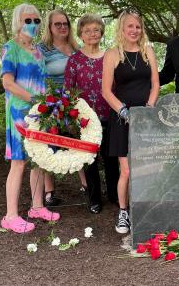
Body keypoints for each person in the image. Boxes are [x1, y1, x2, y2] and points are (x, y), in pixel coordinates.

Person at [0, 3, 60, 233]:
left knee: (38, 159)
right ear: (18, 22)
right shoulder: (10, 48)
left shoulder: (37, 52)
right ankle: (10, 216)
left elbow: (43, 83)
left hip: (39, 113)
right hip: (18, 113)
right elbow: (7, 83)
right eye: (28, 21)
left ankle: (37, 207)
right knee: (19, 162)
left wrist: (46, 103)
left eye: (36, 21)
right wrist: (34, 98)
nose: (33, 25)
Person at [102, 10, 159, 233]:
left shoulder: (148, 51)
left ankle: (145, 209)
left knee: (148, 167)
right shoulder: (112, 54)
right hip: (123, 119)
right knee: (126, 171)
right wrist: (125, 113)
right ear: (122, 29)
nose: (134, 30)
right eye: (130, 27)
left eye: (138, 27)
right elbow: (106, 91)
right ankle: (124, 212)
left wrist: (149, 110)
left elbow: (155, 83)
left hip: (146, 118)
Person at [64, 13, 120, 214]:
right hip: (85, 120)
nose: (92, 33)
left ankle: (114, 195)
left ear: (102, 32)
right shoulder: (74, 60)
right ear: (80, 34)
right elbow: (68, 91)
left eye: (96, 29)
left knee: (111, 157)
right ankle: (94, 198)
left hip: (111, 115)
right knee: (89, 160)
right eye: (87, 30)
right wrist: (72, 117)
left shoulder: (111, 56)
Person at [38, 9, 84, 206]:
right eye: (58, 24)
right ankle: (49, 192)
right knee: (49, 144)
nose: (63, 27)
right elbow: (37, 77)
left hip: (75, 102)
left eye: (65, 23)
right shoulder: (42, 49)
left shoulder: (76, 48)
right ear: (49, 27)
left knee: (79, 143)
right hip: (50, 103)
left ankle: (86, 185)